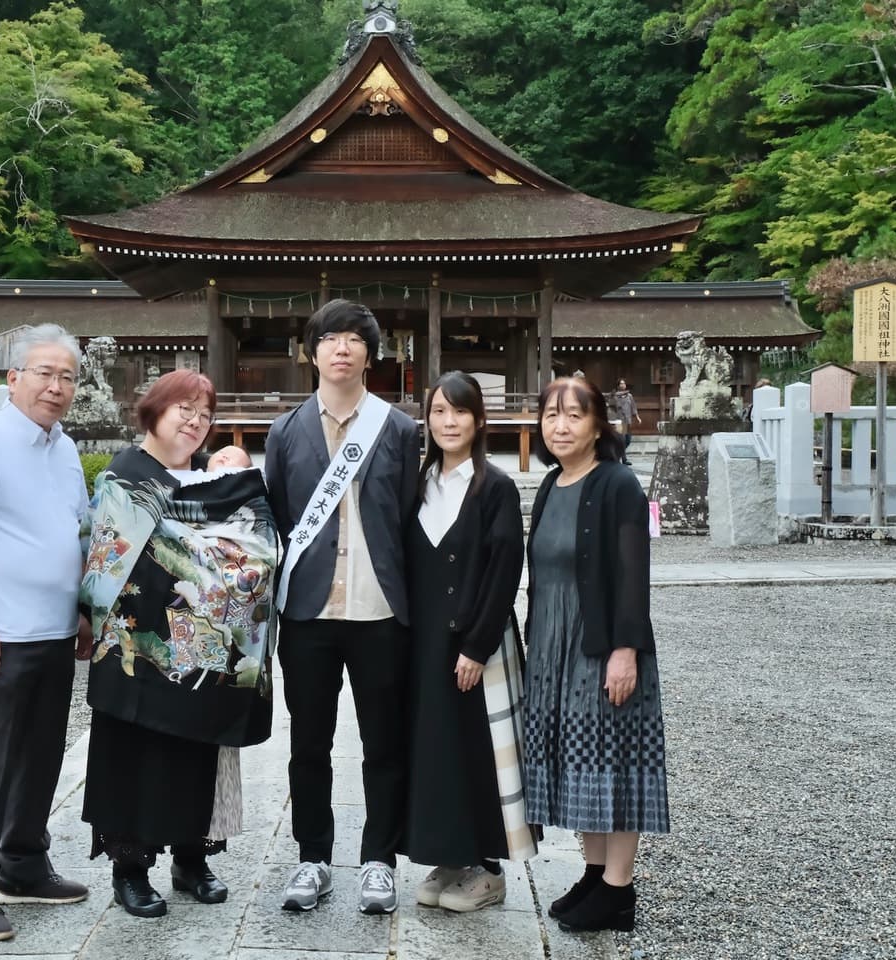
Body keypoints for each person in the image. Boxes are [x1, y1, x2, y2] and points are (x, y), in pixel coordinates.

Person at [79, 370, 278, 919]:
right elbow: (105, 559)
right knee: (136, 756)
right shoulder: (127, 475)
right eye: (183, 410)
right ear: (154, 412)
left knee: (201, 752)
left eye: (204, 414)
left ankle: (193, 859)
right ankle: (131, 869)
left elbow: (256, 545)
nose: (194, 422)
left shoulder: (217, 481)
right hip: (140, 650)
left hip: (204, 651)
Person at [264, 299, 419, 915]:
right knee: (310, 743)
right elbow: (275, 515)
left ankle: (379, 860)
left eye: (355, 339)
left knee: (384, 742)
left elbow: (410, 515)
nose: (343, 348)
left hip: (380, 610)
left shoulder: (401, 429)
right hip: (309, 615)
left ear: (370, 354)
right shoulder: (285, 431)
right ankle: (313, 857)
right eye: (330, 338)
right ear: (312, 352)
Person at [0, 324, 92, 943]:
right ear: (13, 378)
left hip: (54, 633)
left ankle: (23, 864)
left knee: (38, 759)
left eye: (68, 377)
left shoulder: (64, 447)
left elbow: (75, 535)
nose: (56, 387)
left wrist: (81, 612)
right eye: (44, 374)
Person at [523, 376, 670, 935]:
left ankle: (619, 889)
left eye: (574, 416)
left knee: (614, 764)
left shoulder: (618, 485)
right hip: (555, 647)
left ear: (597, 425)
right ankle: (593, 873)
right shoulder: (552, 484)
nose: (561, 426)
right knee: (577, 765)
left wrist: (624, 651)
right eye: (552, 415)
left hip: (601, 645)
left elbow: (635, 576)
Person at [403, 371, 537, 913]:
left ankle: (488, 867)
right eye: (438, 411)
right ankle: (450, 856)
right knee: (436, 749)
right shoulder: (419, 483)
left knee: (479, 750)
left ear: (479, 420)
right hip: (424, 642)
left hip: (474, 642)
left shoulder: (495, 486)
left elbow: (506, 569)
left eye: (459, 411)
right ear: (427, 420)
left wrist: (478, 646)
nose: (448, 421)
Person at [609, 379, 641, 466]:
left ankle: (617, 453)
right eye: (621, 384)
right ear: (618, 385)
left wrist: (637, 417)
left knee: (628, 439)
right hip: (619, 420)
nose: (623, 385)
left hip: (628, 420)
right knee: (622, 439)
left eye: (624, 384)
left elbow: (633, 406)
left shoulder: (629, 396)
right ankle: (624, 459)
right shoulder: (615, 396)